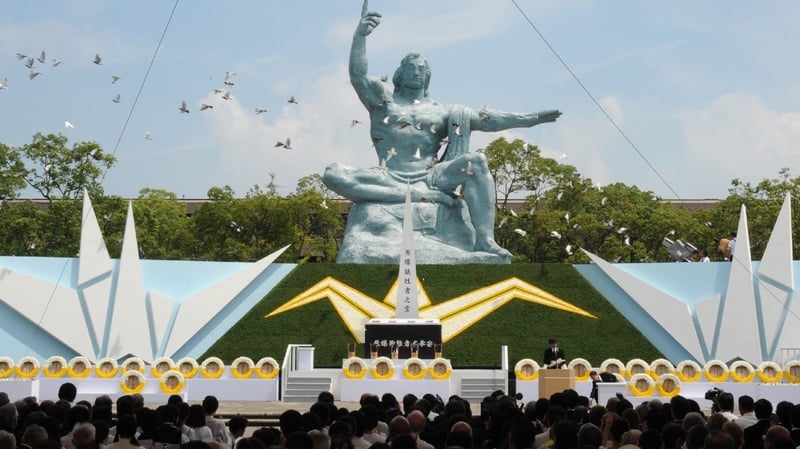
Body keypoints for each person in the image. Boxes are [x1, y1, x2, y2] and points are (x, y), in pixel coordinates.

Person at [322, 0, 561, 259]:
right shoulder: (383, 102)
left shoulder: (443, 111)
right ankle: (409, 195)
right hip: (387, 175)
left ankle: (485, 240)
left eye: (422, 69)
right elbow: (358, 76)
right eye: (410, 68)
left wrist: (529, 119)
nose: (416, 72)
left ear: (428, 76)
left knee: (477, 163)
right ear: (398, 74)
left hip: (431, 177)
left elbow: (486, 118)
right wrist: (360, 36)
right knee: (333, 173)